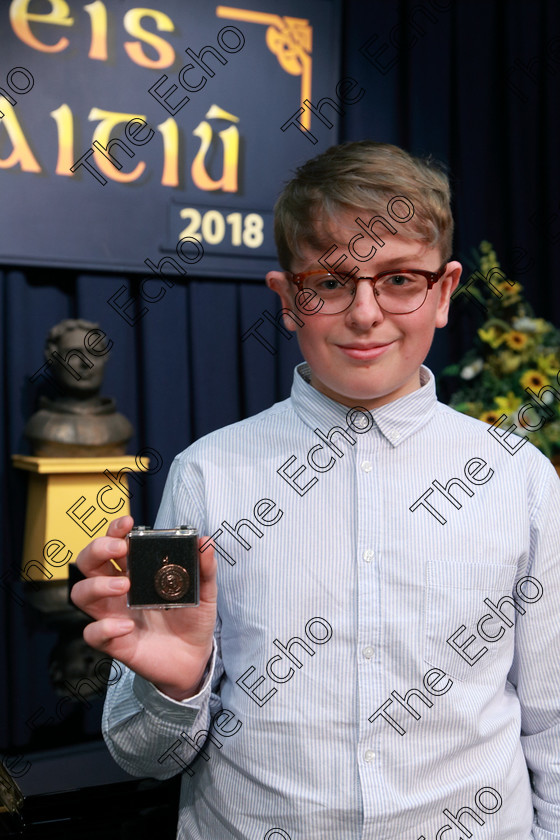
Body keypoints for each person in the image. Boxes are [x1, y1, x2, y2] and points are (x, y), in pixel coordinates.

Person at [71, 141, 560, 840]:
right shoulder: (208, 475)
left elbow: (553, 722)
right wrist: (175, 687)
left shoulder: (521, 480)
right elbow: (143, 755)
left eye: (398, 280)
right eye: (331, 282)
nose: (365, 313)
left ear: (445, 292)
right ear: (289, 300)